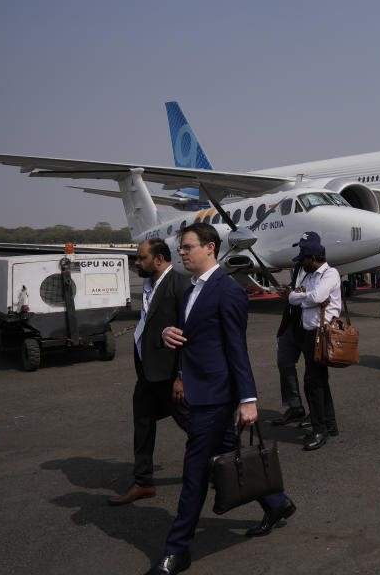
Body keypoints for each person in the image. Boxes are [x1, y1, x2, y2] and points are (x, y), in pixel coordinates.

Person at [152, 224, 293, 575]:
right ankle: (277, 504)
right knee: (230, 453)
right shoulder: (190, 291)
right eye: (180, 248)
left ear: (210, 247)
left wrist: (248, 399)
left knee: (195, 471)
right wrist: (167, 333)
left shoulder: (228, 291)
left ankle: (178, 550)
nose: (181, 253)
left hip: (218, 397)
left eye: (187, 247)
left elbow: (236, 350)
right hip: (199, 391)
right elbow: (193, 337)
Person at [109, 239, 190, 506]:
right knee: (142, 423)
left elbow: (188, 335)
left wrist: (181, 375)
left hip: (170, 376)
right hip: (148, 373)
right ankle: (143, 482)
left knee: (194, 425)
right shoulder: (148, 285)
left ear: (159, 259)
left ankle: (224, 464)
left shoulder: (180, 285)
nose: (136, 262)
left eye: (141, 258)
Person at [287, 233, 342, 450]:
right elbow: (294, 298)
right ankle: (330, 424)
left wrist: (302, 296)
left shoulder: (330, 274)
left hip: (322, 334)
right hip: (309, 335)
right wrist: (303, 296)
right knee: (320, 381)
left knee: (313, 384)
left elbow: (316, 298)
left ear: (312, 257)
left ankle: (320, 430)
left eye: (303, 258)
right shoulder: (309, 277)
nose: (300, 262)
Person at [270, 234, 318, 427]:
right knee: (284, 362)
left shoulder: (319, 270)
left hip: (307, 325)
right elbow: (296, 289)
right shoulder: (300, 265)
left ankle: (316, 413)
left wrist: (296, 294)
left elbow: (316, 295)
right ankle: (295, 406)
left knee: (312, 372)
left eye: (304, 247)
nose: (301, 251)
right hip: (290, 323)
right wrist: (288, 291)